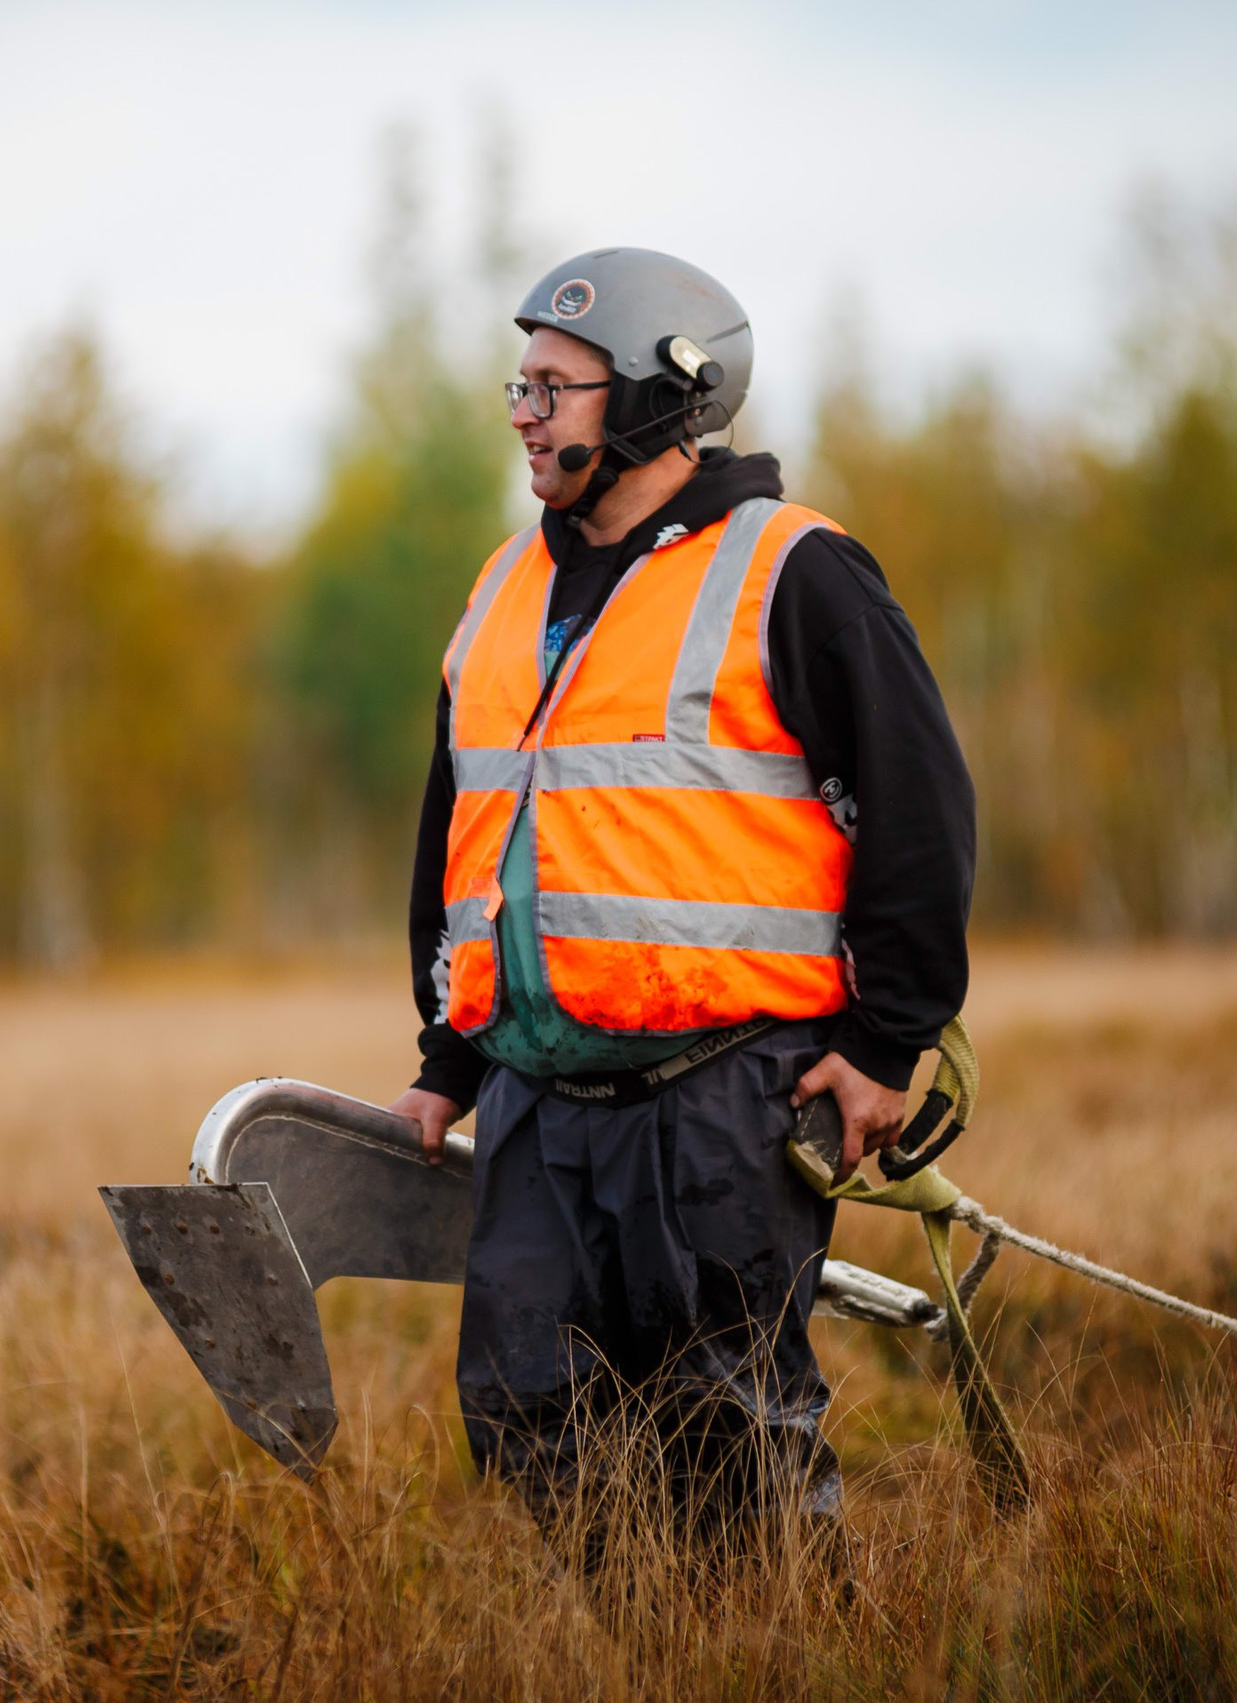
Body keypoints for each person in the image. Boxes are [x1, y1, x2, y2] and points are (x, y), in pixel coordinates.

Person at [385, 248, 975, 1548]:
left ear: (662, 398)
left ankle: (766, 1664)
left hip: (723, 1098)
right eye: (520, 383)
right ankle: (655, 1661)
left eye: (557, 386)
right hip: (538, 1102)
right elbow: (462, 849)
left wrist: (885, 1047)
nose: (524, 411)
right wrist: (447, 1063)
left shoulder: (797, 571)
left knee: (726, 1438)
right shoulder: (499, 590)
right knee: (524, 1414)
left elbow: (921, 816)